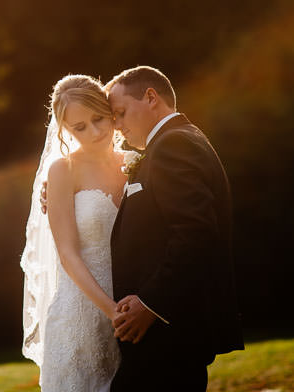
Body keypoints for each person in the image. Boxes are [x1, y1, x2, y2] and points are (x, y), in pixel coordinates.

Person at [106, 66, 243, 392]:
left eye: (121, 113)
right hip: (168, 332)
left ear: (151, 97)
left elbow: (195, 233)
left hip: (171, 328)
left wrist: (151, 303)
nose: (118, 126)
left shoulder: (173, 145)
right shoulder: (170, 145)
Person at [22, 74, 129, 392]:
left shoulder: (137, 163)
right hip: (82, 309)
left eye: (98, 119)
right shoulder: (61, 171)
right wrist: (110, 310)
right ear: (64, 130)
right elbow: (67, 253)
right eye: (79, 127)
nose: (95, 132)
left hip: (132, 300)